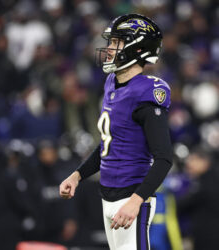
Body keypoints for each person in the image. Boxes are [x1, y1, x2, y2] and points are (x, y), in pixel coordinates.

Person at [59, 14, 173, 250]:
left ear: (137, 48)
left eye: (116, 42)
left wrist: (136, 201)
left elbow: (164, 158)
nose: (109, 48)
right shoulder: (112, 82)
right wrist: (77, 175)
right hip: (108, 196)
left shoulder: (147, 92)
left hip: (131, 198)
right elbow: (109, 144)